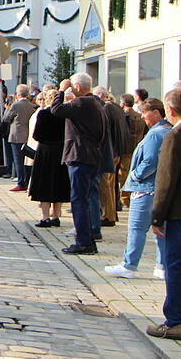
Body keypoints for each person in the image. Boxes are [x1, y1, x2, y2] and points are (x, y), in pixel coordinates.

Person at [104, 98, 171, 279]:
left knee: (137, 228)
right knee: (160, 230)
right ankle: (162, 266)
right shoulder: (168, 130)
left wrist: (134, 176)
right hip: (158, 188)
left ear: (156, 113)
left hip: (145, 187)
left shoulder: (156, 134)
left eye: (144, 113)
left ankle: (129, 265)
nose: (142, 117)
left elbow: (150, 161)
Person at [52, 73, 107, 255]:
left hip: (80, 156)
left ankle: (83, 242)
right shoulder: (95, 103)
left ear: (78, 87)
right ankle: (88, 238)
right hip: (91, 156)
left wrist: (61, 90)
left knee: (78, 201)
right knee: (85, 199)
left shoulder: (82, 103)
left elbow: (56, 110)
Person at [147, 89, 181, 339]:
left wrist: (157, 216)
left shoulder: (174, 136)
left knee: (175, 266)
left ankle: (175, 320)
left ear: (169, 110)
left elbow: (166, 180)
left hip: (177, 213)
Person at [29, 89, 70, 228]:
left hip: (45, 152)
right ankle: (56, 216)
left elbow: (37, 135)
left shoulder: (43, 114)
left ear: (47, 98)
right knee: (58, 183)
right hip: (61, 151)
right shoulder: (64, 115)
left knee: (44, 184)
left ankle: (45, 217)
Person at [94, 87, 127, 226]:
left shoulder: (106, 108)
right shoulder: (117, 107)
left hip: (109, 151)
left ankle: (107, 215)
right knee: (110, 184)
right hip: (117, 150)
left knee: (105, 184)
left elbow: (105, 130)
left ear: (100, 95)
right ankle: (111, 213)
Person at [4, 84, 37, 192]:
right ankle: (26, 181)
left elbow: (6, 118)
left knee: (18, 160)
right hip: (28, 135)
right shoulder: (32, 105)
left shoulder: (15, 105)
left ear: (18, 94)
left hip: (17, 135)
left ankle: (21, 182)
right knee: (26, 160)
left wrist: (7, 109)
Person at [120, 93, 147, 208]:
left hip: (126, 149)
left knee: (124, 173)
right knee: (133, 172)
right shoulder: (140, 116)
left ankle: (124, 198)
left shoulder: (124, 116)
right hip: (138, 148)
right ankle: (128, 196)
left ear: (123, 103)